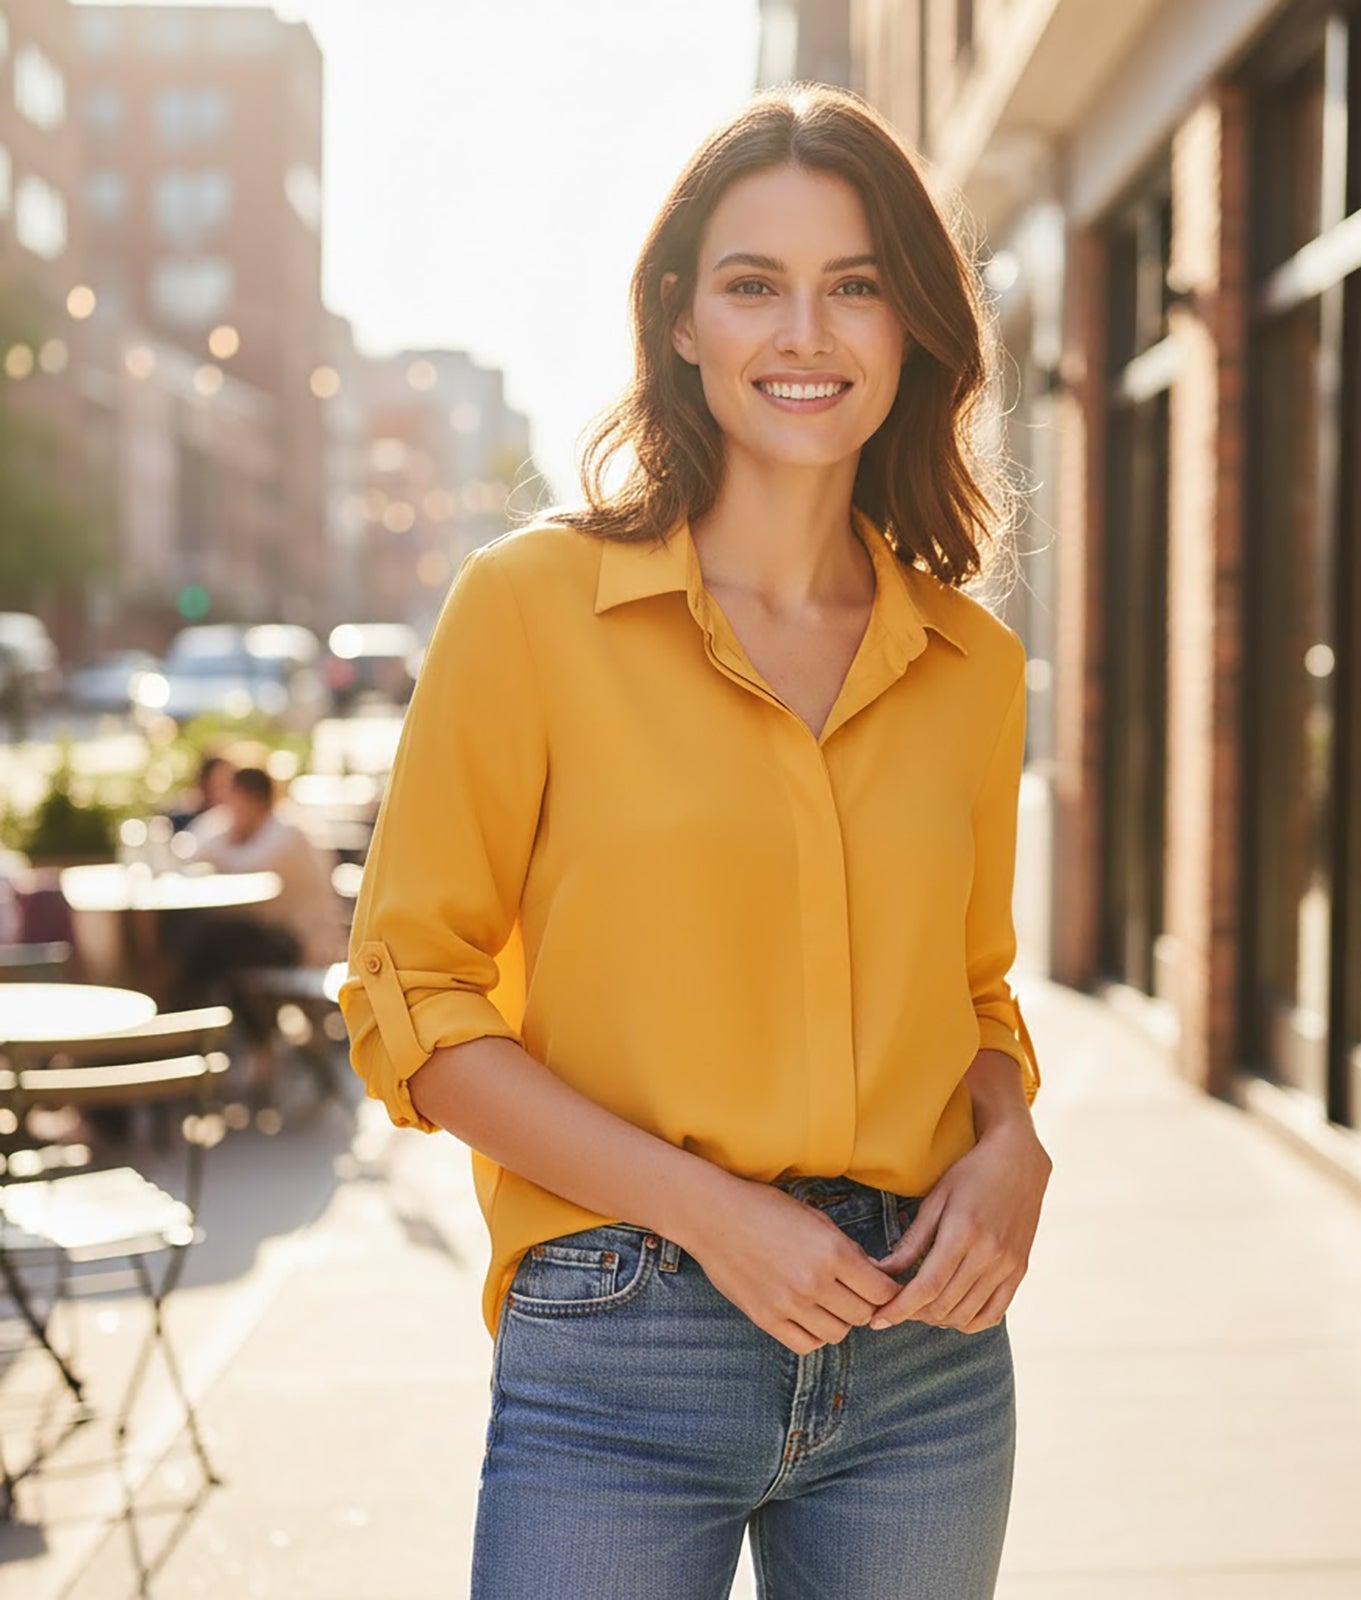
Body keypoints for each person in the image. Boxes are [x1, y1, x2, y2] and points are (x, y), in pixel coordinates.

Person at [340, 83, 1052, 1600]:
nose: (807, 334)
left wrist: (1011, 1147)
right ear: (677, 320)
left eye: (855, 286)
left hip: (924, 1354)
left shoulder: (970, 669)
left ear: (914, 325)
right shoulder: (529, 612)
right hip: (625, 1337)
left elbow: (974, 1001)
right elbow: (413, 1006)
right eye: (755, 286)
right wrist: (713, 1217)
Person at [175, 765, 345, 1097]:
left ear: (253, 801)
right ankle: (230, 1045)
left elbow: (247, 868)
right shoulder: (245, 828)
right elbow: (186, 851)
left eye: (234, 803)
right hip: (262, 940)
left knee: (208, 944)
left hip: (304, 944)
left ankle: (190, 1038)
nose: (228, 811)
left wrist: (225, 836)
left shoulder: (289, 831)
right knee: (215, 951)